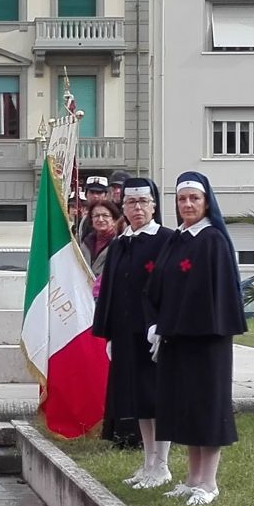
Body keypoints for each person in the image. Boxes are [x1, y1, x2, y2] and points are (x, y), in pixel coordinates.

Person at [143, 172, 245, 506]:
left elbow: (207, 296)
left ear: (206, 202)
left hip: (205, 339)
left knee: (205, 408)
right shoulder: (179, 238)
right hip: (177, 338)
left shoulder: (211, 240)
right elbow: (160, 285)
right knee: (185, 409)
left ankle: (209, 482)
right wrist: (157, 323)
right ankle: (191, 478)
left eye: (194, 199)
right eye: (182, 199)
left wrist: (175, 324)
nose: (187, 205)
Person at [92, 178, 170, 478]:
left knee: (155, 399)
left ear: (153, 205)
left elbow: (171, 288)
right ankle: (149, 462)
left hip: (152, 335)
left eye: (143, 202)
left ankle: (162, 465)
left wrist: (163, 325)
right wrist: (108, 331)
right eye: (131, 203)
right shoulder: (122, 242)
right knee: (137, 399)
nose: (137, 208)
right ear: (123, 206)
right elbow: (110, 288)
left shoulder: (166, 239)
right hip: (125, 333)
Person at [80, 199, 121, 273]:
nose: (100, 219)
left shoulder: (119, 243)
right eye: (96, 216)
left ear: (114, 219)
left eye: (105, 215)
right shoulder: (86, 243)